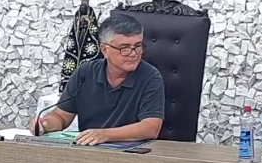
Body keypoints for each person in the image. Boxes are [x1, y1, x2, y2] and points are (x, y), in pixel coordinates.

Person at [31, 13, 165, 146]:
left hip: (132, 152)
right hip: (88, 149)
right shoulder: (85, 73)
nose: (133, 54)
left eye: (138, 46)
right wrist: (45, 124)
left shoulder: (150, 76)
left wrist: (104, 135)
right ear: (105, 50)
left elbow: (151, 128)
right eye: (124, 48)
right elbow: (61, 116)